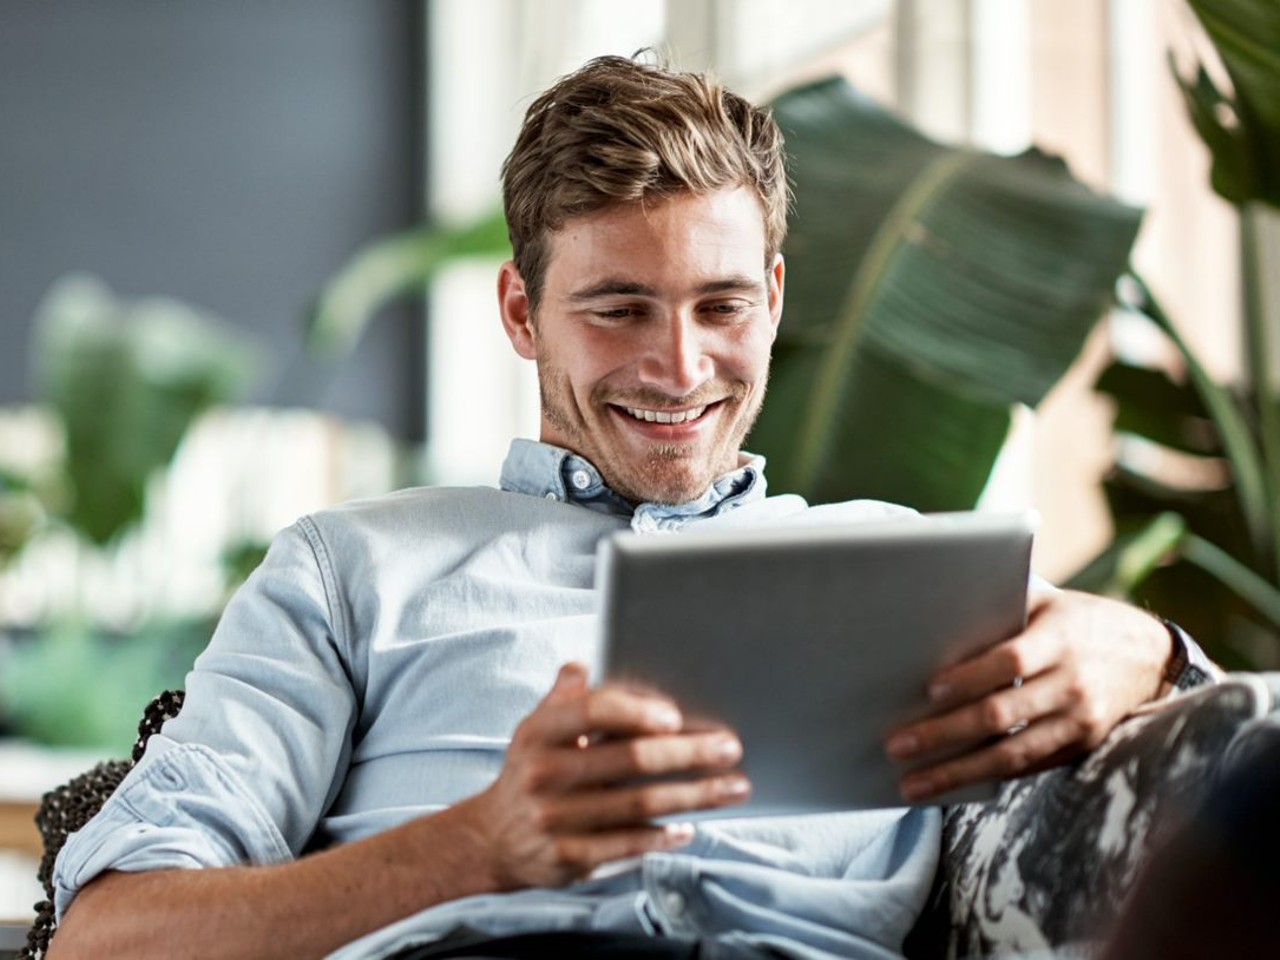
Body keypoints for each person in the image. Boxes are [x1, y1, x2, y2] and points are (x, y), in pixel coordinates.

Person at [48, 55, 1215, 960]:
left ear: (769, 296)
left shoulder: (904, 570)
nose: (677, 367)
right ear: (521, 312)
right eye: (616, 309)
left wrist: (1150, 648)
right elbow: (114, 936)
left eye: (719, 306)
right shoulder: (351, 568)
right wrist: (474, 847)